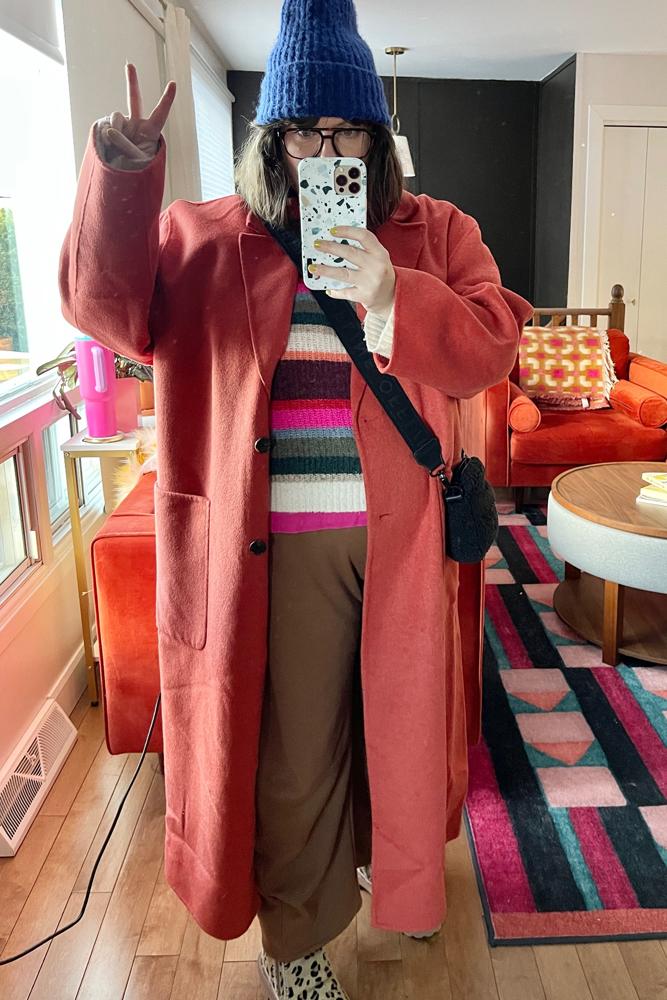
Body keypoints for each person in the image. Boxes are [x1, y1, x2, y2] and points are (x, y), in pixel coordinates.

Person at [59, 1, 534, 997]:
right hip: (272, 550)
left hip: (402, 545)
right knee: (295, 756)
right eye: (302, 131)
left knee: (398, 737)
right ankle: (296, 944)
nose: (324, 151)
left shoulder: (436, 231)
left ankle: (394, 879)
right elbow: (106, 312)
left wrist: (394, 293)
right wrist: (122, 171)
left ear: (376, 140)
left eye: (345, 130)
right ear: (269, 140)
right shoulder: (202, 237)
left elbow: (492, 344)